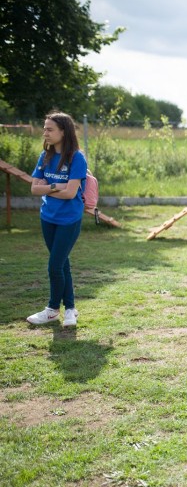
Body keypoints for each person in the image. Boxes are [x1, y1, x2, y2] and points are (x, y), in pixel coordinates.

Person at [27, 111, 88, 328]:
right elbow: (34, 189)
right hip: (47, 217)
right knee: (62, 264)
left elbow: (71, 194)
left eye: (50, 129)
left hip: (68, 219)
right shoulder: (45, 157)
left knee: (55, 266)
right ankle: (70, 309)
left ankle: (53, 309)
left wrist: (48, 188)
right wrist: (56, 186)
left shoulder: (77, 158)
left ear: (64, 131)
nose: (45, 133)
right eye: (44, 128)